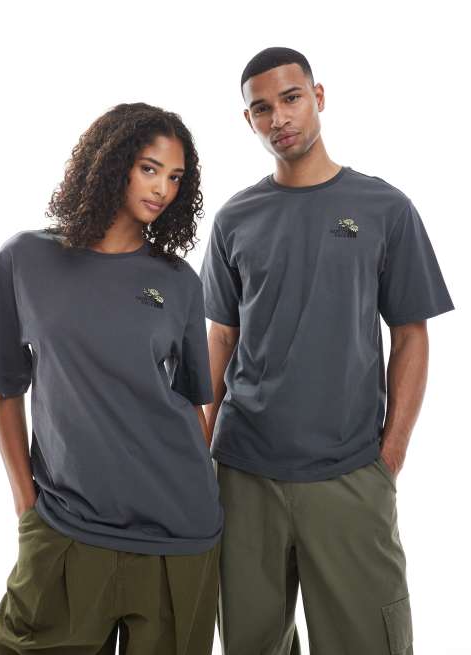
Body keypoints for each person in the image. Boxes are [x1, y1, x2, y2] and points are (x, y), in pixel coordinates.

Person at [200, 47, 455, 655]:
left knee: (368, 641)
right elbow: (221, 337)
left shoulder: (385, 208)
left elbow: (411, 334)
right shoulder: (234, 218)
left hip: (350, 472)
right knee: (249, 643)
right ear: (248, 121)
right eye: (262, 109)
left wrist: (390, 455)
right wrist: (199, 447)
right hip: (244, 471)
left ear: (318, 96)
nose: (279, 118)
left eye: (290, 98)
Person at [0, 102, 223, 655]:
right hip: (66, 527)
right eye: (149, 168)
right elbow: (6, 390)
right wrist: (27, 507)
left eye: (175, 177)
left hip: (178, 532)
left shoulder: (178, 282)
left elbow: (192, 406)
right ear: (112, 163)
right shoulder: (24, 260)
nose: (162, 189)